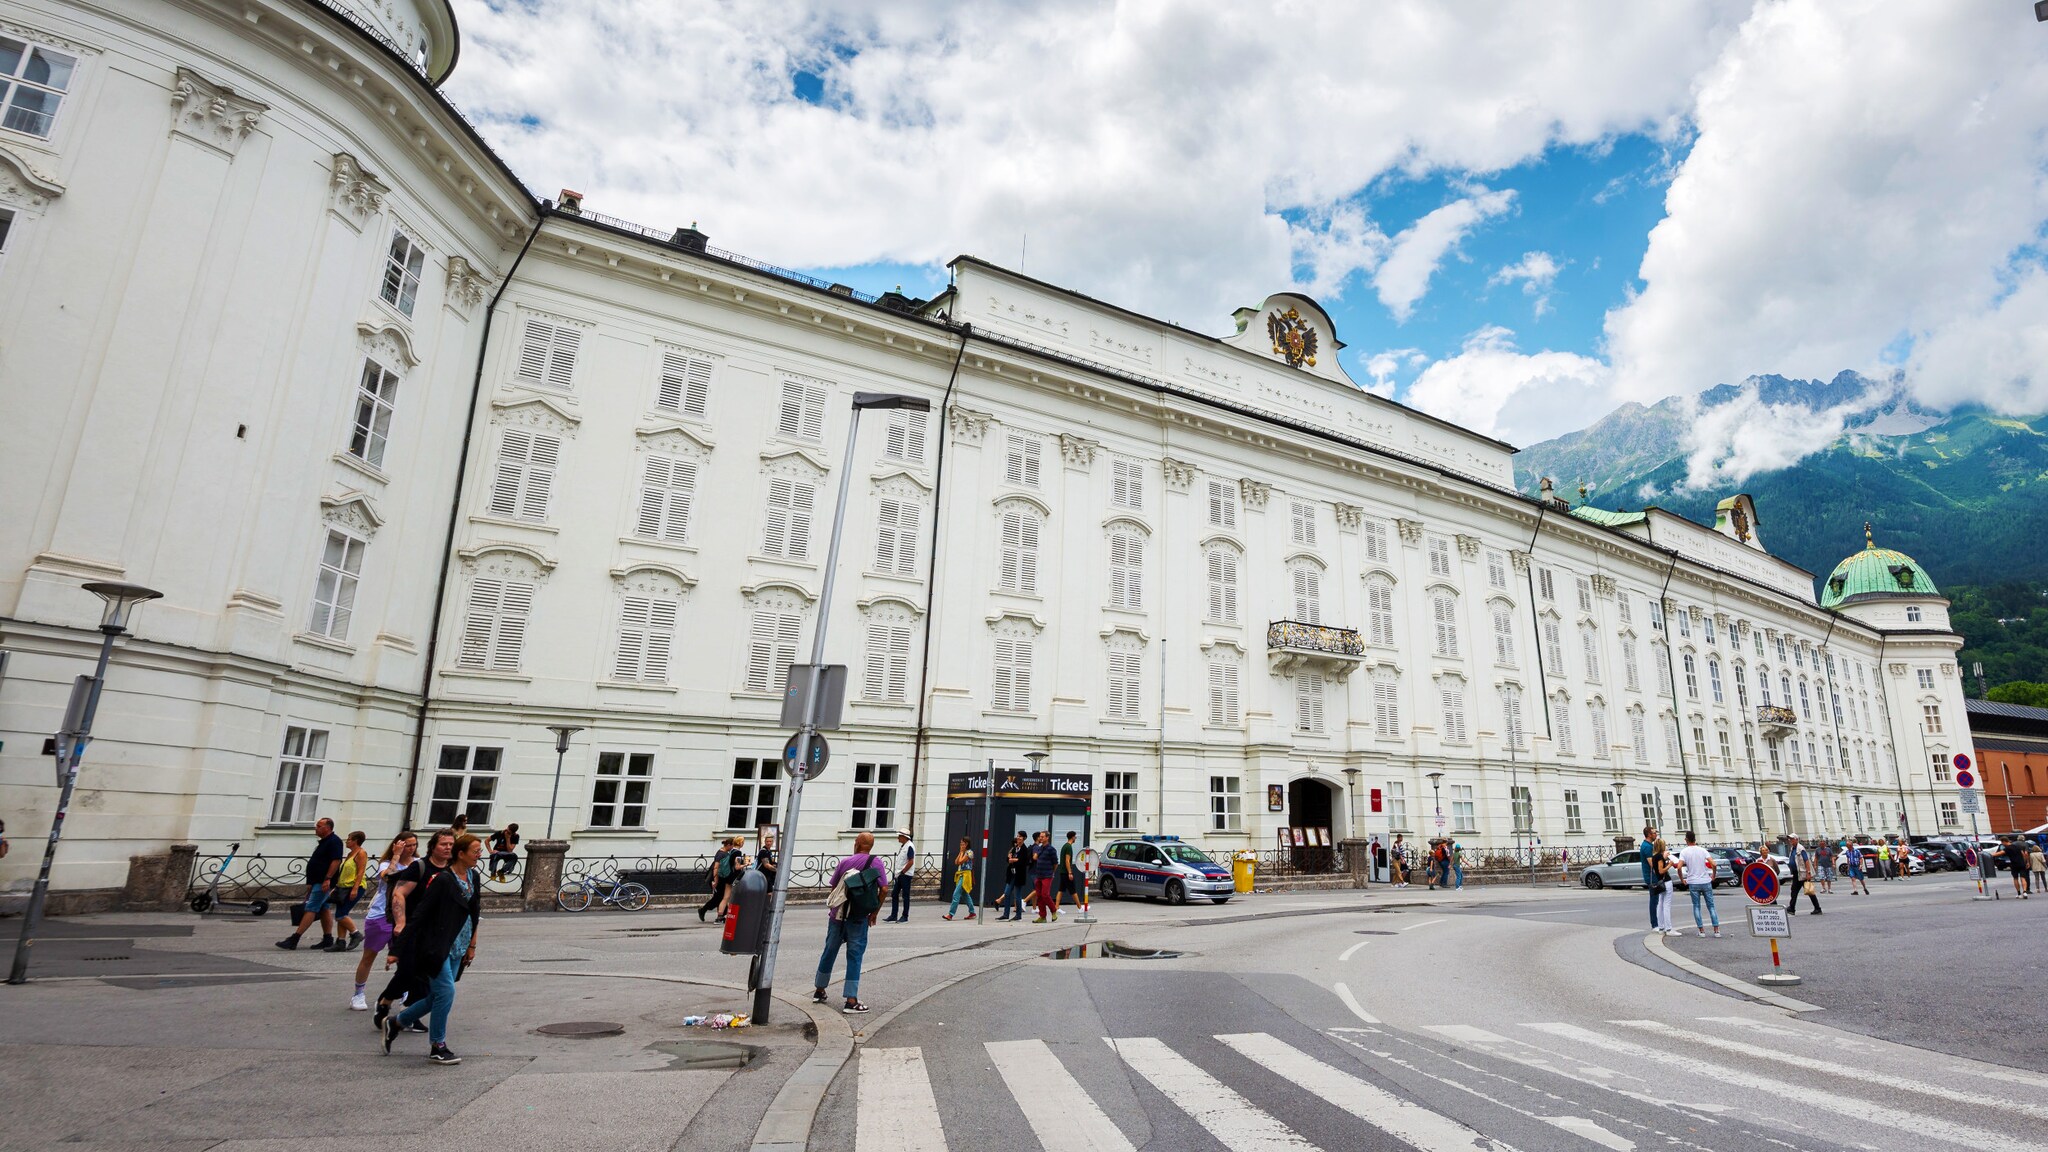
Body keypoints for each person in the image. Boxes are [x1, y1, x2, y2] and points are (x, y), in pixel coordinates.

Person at [381, 832, 483, 1065]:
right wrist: (398, 948)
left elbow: (474, 912)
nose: (479, 855)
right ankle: (438, 1045)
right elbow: (420, 914)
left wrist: (472, 944)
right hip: (436, 944)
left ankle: (396, 1022)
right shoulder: (443, 880)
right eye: (475, 851)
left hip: (460, 942)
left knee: (438, 995)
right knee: (446, 992)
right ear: (461, 853)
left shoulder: (473, 876)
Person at [375, 828, 455, 1030]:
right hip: (411, 926)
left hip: (435, 930)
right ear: (433, 847)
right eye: (443, 844)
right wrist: (401, 922)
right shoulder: (420, 867)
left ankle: (410, 1012)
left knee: (427, 974)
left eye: (451, 845)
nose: (448, 848)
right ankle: (385, 1000)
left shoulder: (452, 869)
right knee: (408, 970)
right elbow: (399, 894)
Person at [814, 832, 887, 1013]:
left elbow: (834, 887)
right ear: (870, 846)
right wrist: (874, 912)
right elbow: (884, 889)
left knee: (829, 951)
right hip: (858, 916)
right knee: (855, 956)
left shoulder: (845, 862)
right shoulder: (876, 862)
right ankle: (851, 1000)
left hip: (838, 916)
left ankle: (819, 990)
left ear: (857, 844)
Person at [352, 831, 416, 1011]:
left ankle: (404, 994)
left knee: (405, 958)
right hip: (381, 914)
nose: (411, 849)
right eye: (407, 845)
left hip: (404, 915)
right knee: (369, 955)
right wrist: (396, 855)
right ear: (398, 845)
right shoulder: (387, 864)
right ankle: (358, 993)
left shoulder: (417, 864)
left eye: (413, 845)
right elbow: (388, 876)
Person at [276, 817, 345, 950]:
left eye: (319, 826)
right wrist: (311, 881)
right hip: (317, 881)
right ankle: (327, 938)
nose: (316, 828)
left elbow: (336, 861)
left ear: (327, 828)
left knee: (311, 908)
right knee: (324, 908)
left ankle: (294, 938)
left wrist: (327, 879)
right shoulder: (325, 842)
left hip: (323, 882)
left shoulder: (334, 842)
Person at [328, 831, 370, 952]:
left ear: (356, 841)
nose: (347, 841)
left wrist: (355, 888)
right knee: (341, 913)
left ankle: (356, 934)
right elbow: (344, 873)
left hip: (354, 887)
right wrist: (336, 887)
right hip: (343, 887)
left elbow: (361, 872)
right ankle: (340, 941)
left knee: (341, 915)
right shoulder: (351, 853)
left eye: (349, 839)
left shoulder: (361, 853)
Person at [1678, 829, 1721, 938]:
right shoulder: (1702, 850)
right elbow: (1714, 864)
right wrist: (1713, 876)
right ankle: (1716, 930)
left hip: (1693, 882)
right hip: (1705, 881)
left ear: (1686, 839)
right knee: (1711, 906)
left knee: (1696, 906)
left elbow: (1679, 867)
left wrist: (1682, 879)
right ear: (1695, 839)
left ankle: (1701, 931)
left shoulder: (1684, 852)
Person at [698, 838, 738, 922]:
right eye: (732, 845)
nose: (733, 847)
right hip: (717, 878)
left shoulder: (725, 852)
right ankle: (704, 910)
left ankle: (720, 915)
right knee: (718, 897)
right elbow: (716, 867)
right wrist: (715, 880)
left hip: (722, 878)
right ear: (728, 845)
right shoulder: (721, 854)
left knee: (720, 897)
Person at [885, 830, 917, 922]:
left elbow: (911, 861)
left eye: (899, 836)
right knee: (894, 894)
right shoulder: (904, 846)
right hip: (900, 874)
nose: (898, 838)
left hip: (905, 875)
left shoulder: (909, 846)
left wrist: (903, 871)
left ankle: (905, 916)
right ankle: (894, 915)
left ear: (904, 837)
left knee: (905, 895)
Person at [1784, 836, 1822, 915]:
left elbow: (1806, 861)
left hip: (1802, 873)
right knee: (1795, 891)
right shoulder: (1793, 849)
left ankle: (1816, 908)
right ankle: (1792, 908)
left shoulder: (1800, 849)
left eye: (1792, 839)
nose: (1790, 841)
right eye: (1789, 839)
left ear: (1796, 839)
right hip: (1797, 873)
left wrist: (1808, 873)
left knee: (1807, 891)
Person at [944, 836, 977, 920]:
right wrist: (960, 852)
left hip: (965, 875)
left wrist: (962, 852)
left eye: (962, 843)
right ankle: (972, 912)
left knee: (956, 894)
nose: (961, 845)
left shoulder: (970, 852)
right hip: (960, 874)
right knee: (965, 894)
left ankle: (951, 914)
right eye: (961, 843)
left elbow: (961, 861)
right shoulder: (963, 852)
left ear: (966, 844)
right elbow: (956, 862)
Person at [998, 833, 1029, 921]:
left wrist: (1014, 860)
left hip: (1019, 875)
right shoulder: (1014, 848)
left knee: (1017, 895)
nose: (1018, 838)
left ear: (1024, 838)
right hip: (1011, 874)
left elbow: (1023, 861)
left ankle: (1018, 915)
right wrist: (1011, 859)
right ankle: (1006, 914)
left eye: (1020, 836)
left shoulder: (1024, 849)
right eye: (1017, 836)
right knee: (1007, 893)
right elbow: (1008, 859)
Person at [1030, 830, 1059, 922]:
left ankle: (1053, 910)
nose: (1041, 838)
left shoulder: (1051, 849)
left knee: (1045, 894)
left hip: (1047, 875)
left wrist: (1052, 872)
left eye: (1042, 837)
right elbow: (1035, 857)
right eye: (1040, 837)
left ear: (1047, 838)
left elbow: (1055, 863)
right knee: (1039, 896)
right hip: (1039, 875)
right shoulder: (1039, 848)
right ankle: (1042, 916)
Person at [1639, 825, 1663, 932]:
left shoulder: (1648, 845)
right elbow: (1651, 863)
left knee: (1656, 900)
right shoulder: (1647, 847)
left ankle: (1657, 923)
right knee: (1654, 901)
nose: (1656, 834)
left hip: (1652, 876)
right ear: (1649, 834)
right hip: (1651, 877)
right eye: (1654, 833)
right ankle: (1655, 924)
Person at [1058, 831, 1081, 910]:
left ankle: (1056, 907)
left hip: (1062, 871)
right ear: (1072, 837)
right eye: (1075, 836)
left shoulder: (1065, 846)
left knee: (1061, 890)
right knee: (1073, 890)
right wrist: (1070, 872)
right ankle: (1080, 907)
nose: (1076, 838)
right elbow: (1067, 860)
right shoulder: (1068, 847)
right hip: (1066, 872)